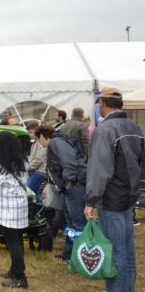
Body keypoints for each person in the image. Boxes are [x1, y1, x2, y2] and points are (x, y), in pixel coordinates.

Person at [84, 87, 144, 292]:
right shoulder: (135, 128)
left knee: (115, 253)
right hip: (128, 198)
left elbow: (100, 168)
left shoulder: (105, 130)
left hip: (111, 200)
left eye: (99, 103)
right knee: (126, 251)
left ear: (103, 104)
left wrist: (91, 200)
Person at [0, 131, 29, 289]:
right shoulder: (23, 162)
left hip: (7, 211)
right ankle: (14, 270)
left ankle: (20, 278)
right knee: (18, 242)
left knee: (13, 245)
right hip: (20, 208)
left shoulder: (0, 167)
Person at [47, 129, 87, 262]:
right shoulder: (58, 141)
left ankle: (80, 257)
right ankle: (69, 253)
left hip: (74, 187)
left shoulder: (56, 142)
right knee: (70, 223)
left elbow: (69, 162)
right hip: (69, 188)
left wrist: (68, 182)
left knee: (77, 224)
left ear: (42, 136)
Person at [27, 124, 48, 203]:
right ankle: (40, 211)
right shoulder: (35, 142)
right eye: (28, 132)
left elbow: (39, 159)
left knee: (27, 190)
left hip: (40, 172)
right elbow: (33, 157)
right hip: (37, 171)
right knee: (36, 194)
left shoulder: (40, 142)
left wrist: (28, 167)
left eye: (31, 132)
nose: (30, 134)